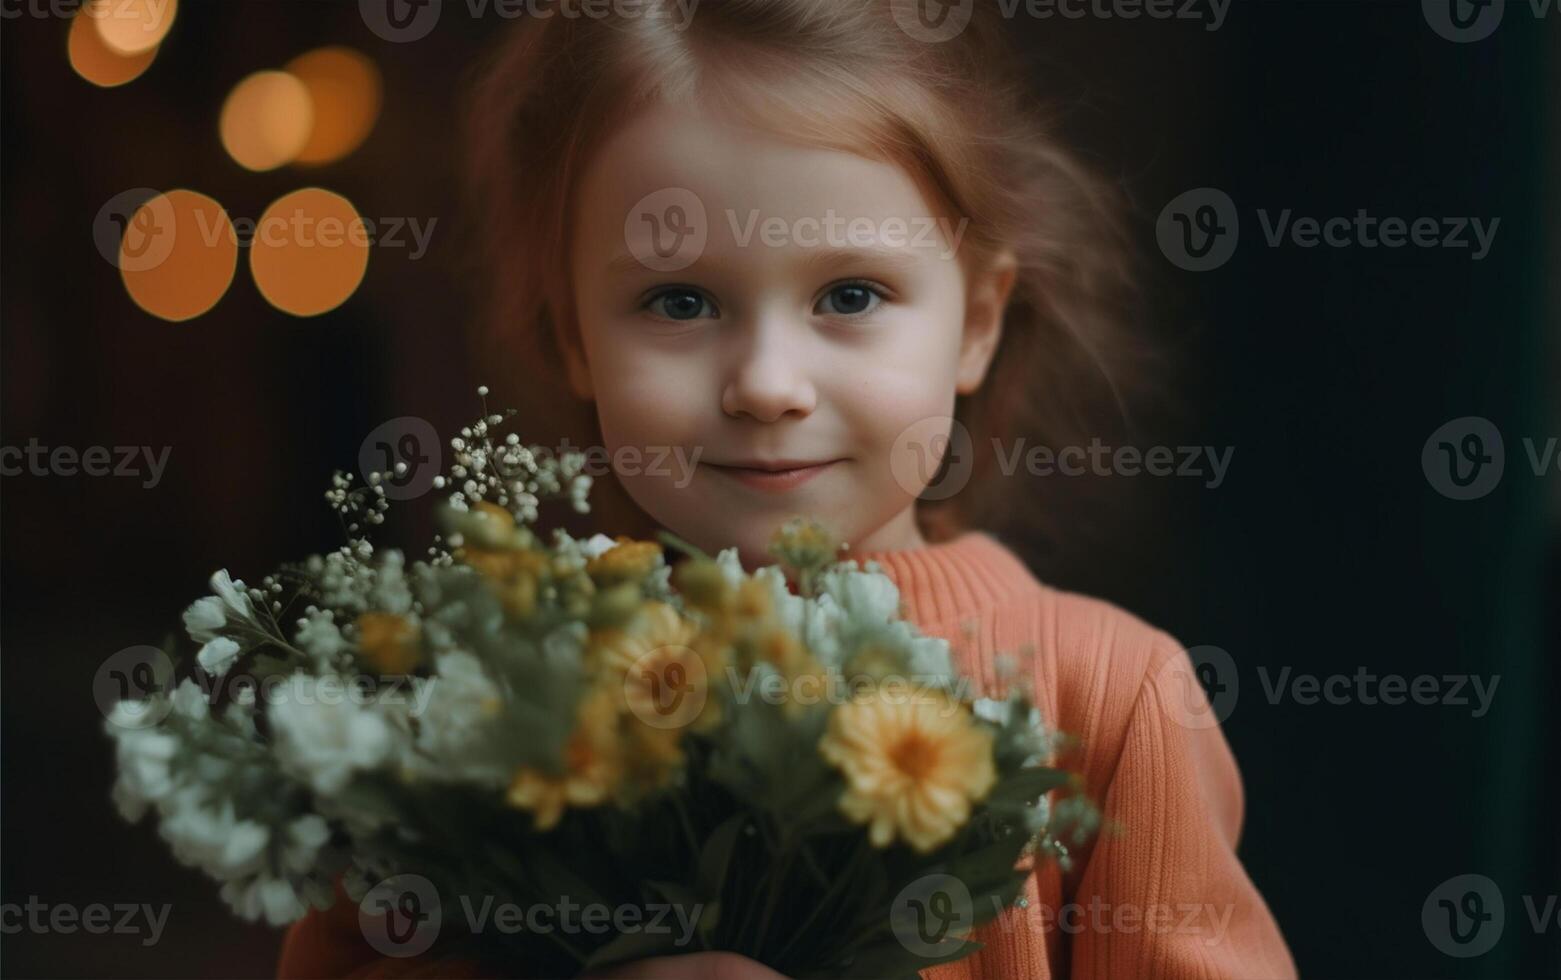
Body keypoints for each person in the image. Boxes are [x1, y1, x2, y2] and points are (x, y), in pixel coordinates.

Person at [279, 1, 1296, 976]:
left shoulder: (1113, 700)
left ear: (978, 320)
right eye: (677, 300)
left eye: (850, 294)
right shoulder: (489, 699)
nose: (767, 383)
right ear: (571, 337)